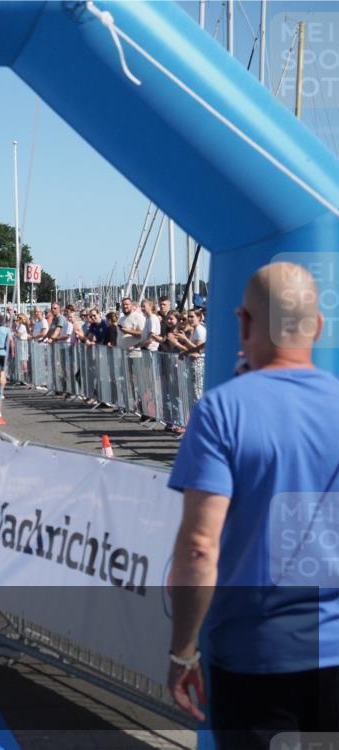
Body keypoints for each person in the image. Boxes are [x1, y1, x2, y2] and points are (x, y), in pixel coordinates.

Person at [166, 262, 339, 748]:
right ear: (318, 327)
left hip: (255, 656)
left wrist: (183, 651)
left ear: (243, 323)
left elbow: (200, 547)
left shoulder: (223, 410)